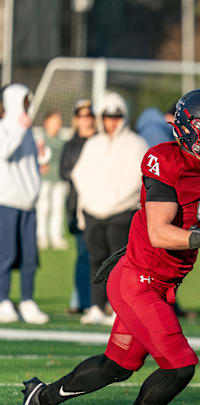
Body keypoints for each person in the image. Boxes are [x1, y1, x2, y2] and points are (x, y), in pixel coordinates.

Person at [22, 88, 200, 405]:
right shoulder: (165, 160)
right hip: (138, 282)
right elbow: (159, 233)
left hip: (160, 281)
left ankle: (42, 398)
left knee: (118, 365)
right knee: (180, 365)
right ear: (192, 130)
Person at [71, 91, 148, 326]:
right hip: (94, 212)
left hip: (122, 212)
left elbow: (140, 178)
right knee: (97, 260)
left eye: (116, 117)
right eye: (107, 117)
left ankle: (118, 308)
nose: (111, 122)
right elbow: (80, 176)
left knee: (120, 264)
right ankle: (95, 306)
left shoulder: (136, 144)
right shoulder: (94, 144)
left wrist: (122, 201)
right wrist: (84, 208)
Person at [0, 83, 49, 325]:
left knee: (30, 256)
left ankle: (27, 300)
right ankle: (3, 300)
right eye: (25, 102)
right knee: (6, 254)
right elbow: (5, 152)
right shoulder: (5, 128)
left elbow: (31, 165)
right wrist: (19, 129)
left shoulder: (27, 130)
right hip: (7, 201)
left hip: (28, 203)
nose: (28, 107)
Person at [59, 99, 96, 314]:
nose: (85, 120)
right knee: (83, 254)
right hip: (78, 205)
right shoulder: (71, 144)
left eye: (88, 115)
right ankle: (80, 300)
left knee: (101, 255)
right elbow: (64, 172)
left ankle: (100, 302)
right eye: (81, 116)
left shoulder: (101, 141)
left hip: (101, 203)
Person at [35, 110, 70, 250]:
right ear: (46, 122)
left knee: (57, 208)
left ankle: (56, 237)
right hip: (44, 180)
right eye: (54, 121)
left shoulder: (62, 140)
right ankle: (41, 236)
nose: (57, 124)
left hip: (59, 179)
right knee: (43, 208)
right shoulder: (40, 138)